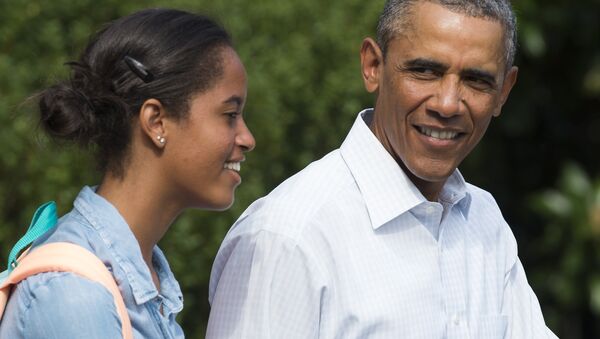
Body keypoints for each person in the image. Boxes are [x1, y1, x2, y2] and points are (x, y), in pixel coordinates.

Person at [207, 0, 557, 338]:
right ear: (373, 66)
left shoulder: (483, 221)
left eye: (476, 80)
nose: (448, 104)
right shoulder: (288, 236)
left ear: (503, 92)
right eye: (425, 71)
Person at [0, 8, 255, 339]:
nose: (247, 139)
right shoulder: (75, 295)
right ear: (156, 122)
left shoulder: (141, 283)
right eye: (230, 114)